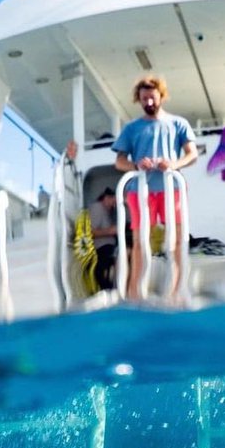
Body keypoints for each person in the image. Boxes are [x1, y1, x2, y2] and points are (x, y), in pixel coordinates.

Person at [113, 74, 198, 304]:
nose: (148, 102)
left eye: (152, 97)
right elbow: (119, 161)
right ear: (138, 100)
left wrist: (173, 164)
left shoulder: (178, 123)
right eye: (144, 99)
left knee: (177, 241)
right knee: (141, 241)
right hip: (139, 191)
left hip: (172, 190)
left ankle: (176, 294)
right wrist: (136, 165)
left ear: (161, 96)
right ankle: (135, 295)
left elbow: (192, 154)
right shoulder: (132, 128)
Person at [89, 186, 118, 290]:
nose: (114, 205)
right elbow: (90, 232)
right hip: (102, 249)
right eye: (113, 202)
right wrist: (110, 231)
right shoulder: (97, 208)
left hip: (109, 248)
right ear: (106, 198)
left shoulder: (107, 211)